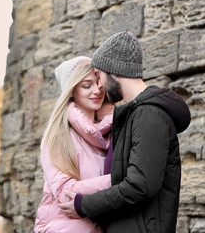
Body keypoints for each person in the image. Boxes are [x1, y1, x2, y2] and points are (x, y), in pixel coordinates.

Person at [59, 31, 191, 233]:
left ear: (115, 71)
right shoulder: (136, 115)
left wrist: (83, 205)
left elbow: (140, 185)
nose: (100, 86)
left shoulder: (149, 114)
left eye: (99, 75)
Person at [34, 56, 114, 233]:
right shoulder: (59, 136)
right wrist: (120, 180)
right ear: (71, 91)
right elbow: (64, 192)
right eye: (87, 85)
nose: (97, 90)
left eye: (98, 83)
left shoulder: (111, 133)